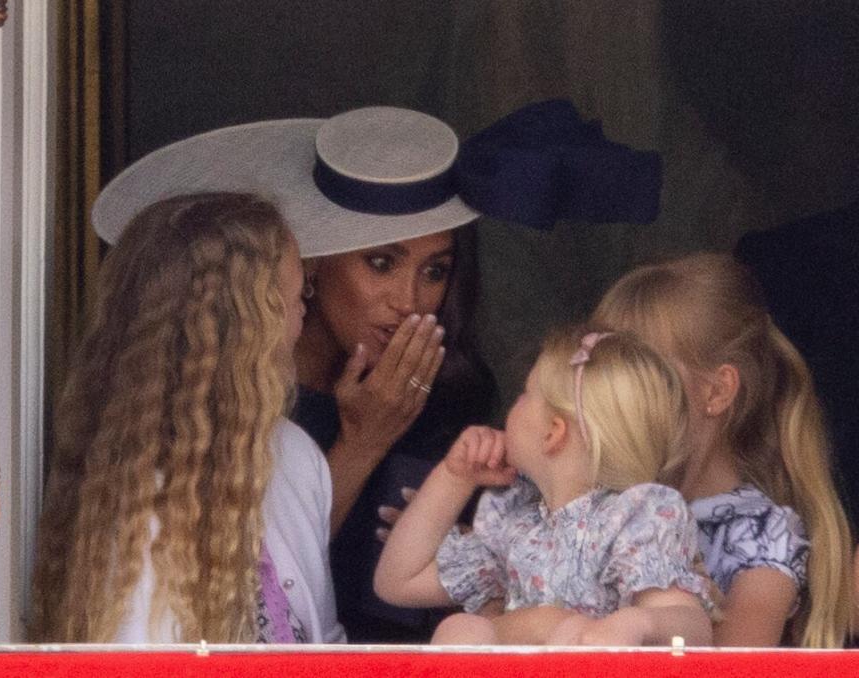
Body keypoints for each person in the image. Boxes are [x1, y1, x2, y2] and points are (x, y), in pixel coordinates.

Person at [85, 101, 665, 642]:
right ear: (310, 268)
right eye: (381, 263)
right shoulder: (239, 397)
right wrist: (364, 441)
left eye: (435, 271)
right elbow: (258, 581)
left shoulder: (459, 396)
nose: (410, 299)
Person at [30, 192, 344, 643]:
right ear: (247, 329)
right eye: (292, 299)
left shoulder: (295, 455)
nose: (302, 317)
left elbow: (326, 646)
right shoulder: (135, 501)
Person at [374, 329, 714, 646]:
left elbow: (693, 628)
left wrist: (639, 624)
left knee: (568, 631)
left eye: (524, 395)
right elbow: (397, 582)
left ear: (553, 433)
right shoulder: (518, 522)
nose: (512, 405)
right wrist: (454, 477)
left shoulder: (634, 518)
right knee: (458, 630)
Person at [591, 252, 853, 647]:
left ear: (716, 391)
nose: (615, 398)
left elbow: (731, 665)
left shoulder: (760, 536)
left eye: (640, 378)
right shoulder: (601, 503)